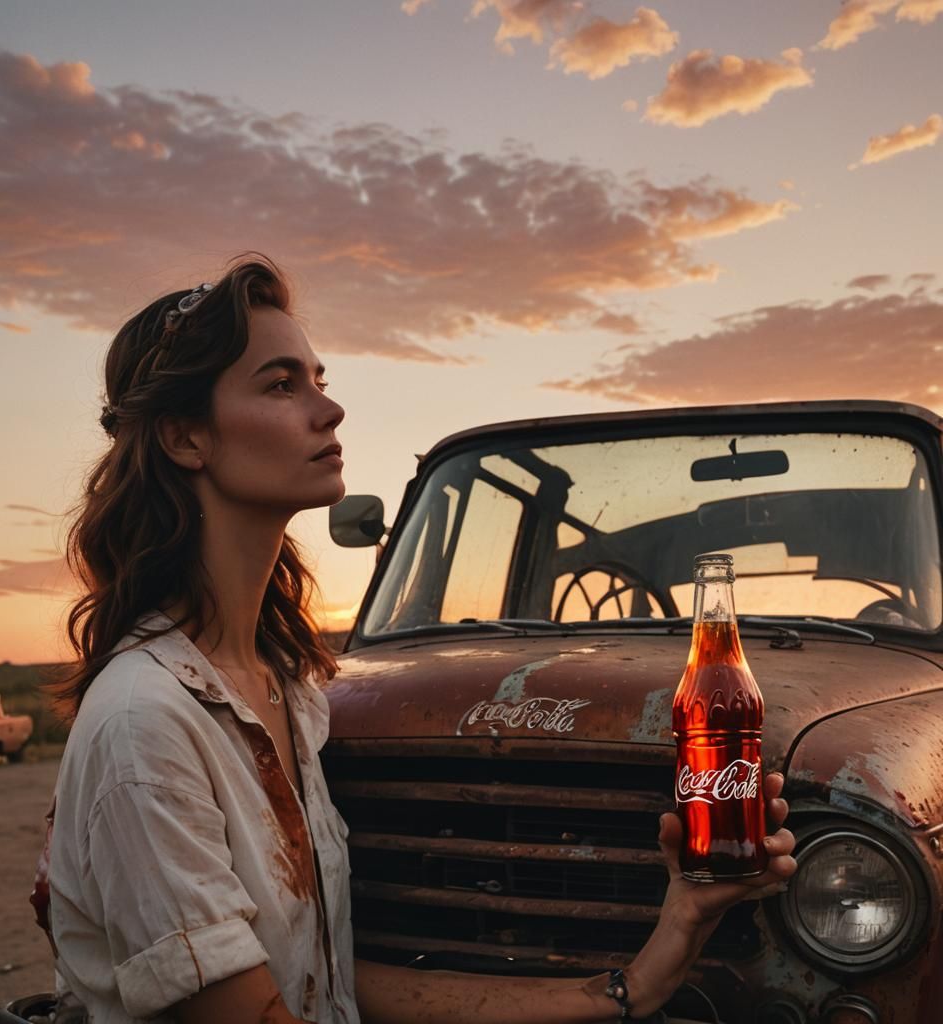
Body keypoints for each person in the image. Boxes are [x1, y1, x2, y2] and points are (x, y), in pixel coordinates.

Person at [45, 253, 796, 1024]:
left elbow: (331, 988)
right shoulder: (147, 723)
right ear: (184, 438)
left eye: (318, 380)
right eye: (280, 384)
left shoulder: (289, 690)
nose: (328, 410)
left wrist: (648, 967)